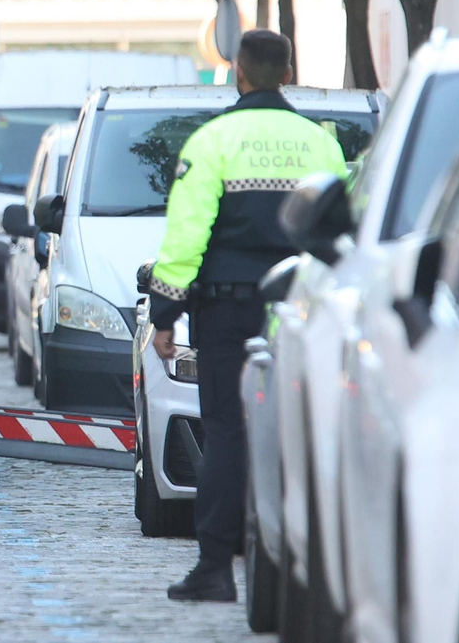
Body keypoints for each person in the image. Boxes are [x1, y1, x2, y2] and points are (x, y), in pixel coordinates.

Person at [147, 30, 347, 602]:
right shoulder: (321, 146)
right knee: (301, 433)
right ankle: (305, 568)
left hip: (229, 312)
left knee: (229, 433)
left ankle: (215, 567)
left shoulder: (213, 141)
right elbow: (337, 235)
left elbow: (187, 237)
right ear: (287, 72)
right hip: (301, 311)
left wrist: (165, 314)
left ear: (239, 71)